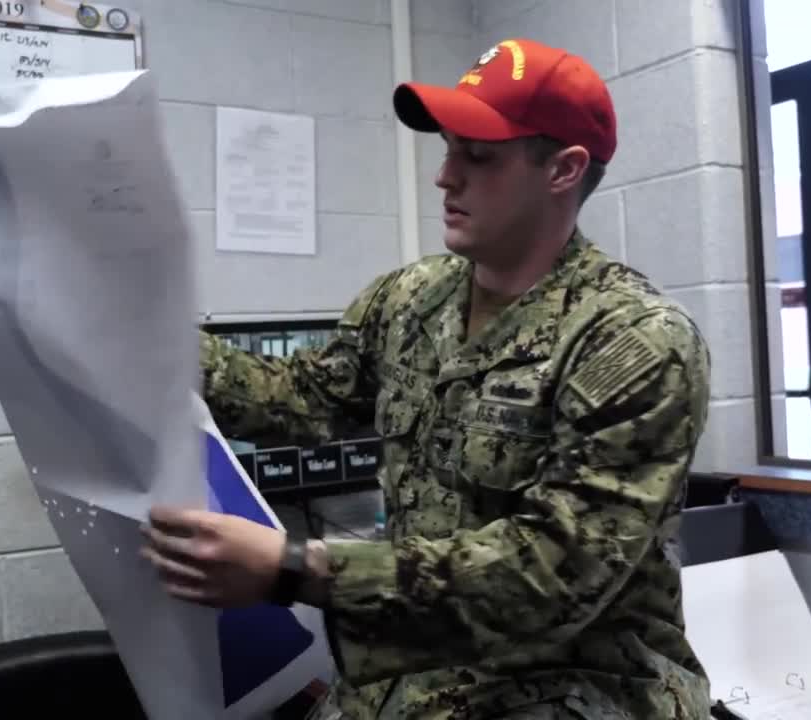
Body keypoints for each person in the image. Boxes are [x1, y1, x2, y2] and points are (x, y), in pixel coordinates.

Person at [143, 37, 713, 719]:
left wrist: (291, 568)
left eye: (478, 157)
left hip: (572, 687)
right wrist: (155, 339)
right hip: (412, 673)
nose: (445, 177)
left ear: (563, 170)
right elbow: (301, 401)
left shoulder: (635, 340)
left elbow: (551, 577)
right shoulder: (410, 299)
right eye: (448, 150)